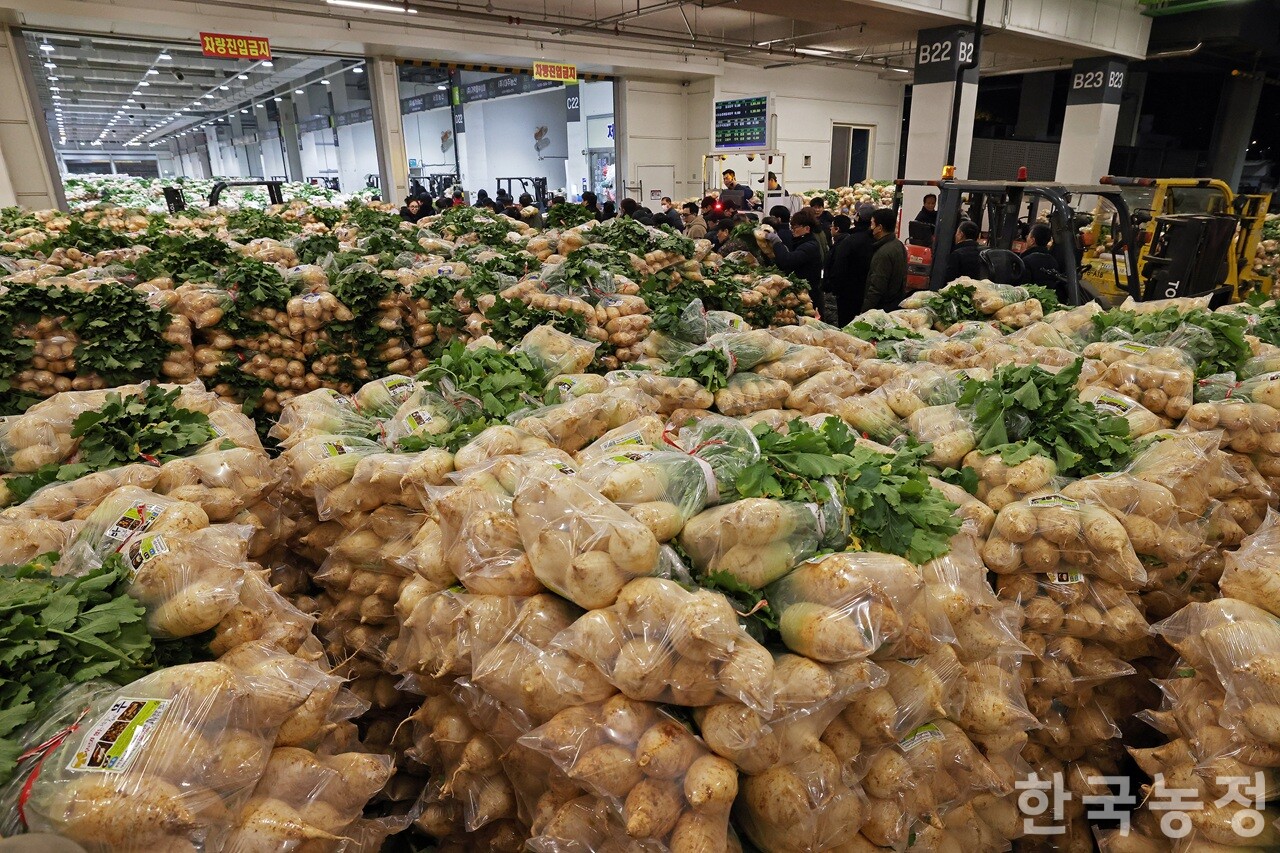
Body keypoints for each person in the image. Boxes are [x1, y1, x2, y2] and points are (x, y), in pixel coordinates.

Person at [766, 207, 826, 319]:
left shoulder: (809, 246)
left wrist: (777, 243)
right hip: (803, 294)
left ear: (807, 228)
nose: (792, 230)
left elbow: (787, 261)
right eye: (792, 227)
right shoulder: (802, 243)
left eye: (795, 227)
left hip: (809, 298)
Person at [826, 204, 877, 326]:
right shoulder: (877, 240)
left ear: (858, 218)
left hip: (848, 294)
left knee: (847, 325)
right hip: (869, 293)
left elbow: (839, 268)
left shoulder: (850, 241)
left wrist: (835, 288)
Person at [862, 208, 908, 312]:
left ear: (879, 228)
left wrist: (865, 310)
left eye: (872, 224)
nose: (871, 227)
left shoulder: (883, 253)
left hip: (883, 307)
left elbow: (877, 286)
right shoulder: (898, 244)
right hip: (894, 303)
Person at [1020, 223, 1061, 291]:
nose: (1026, 238)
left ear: (1032, 241)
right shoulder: (1053, 261)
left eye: (1028, 236)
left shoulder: (1026, 261)